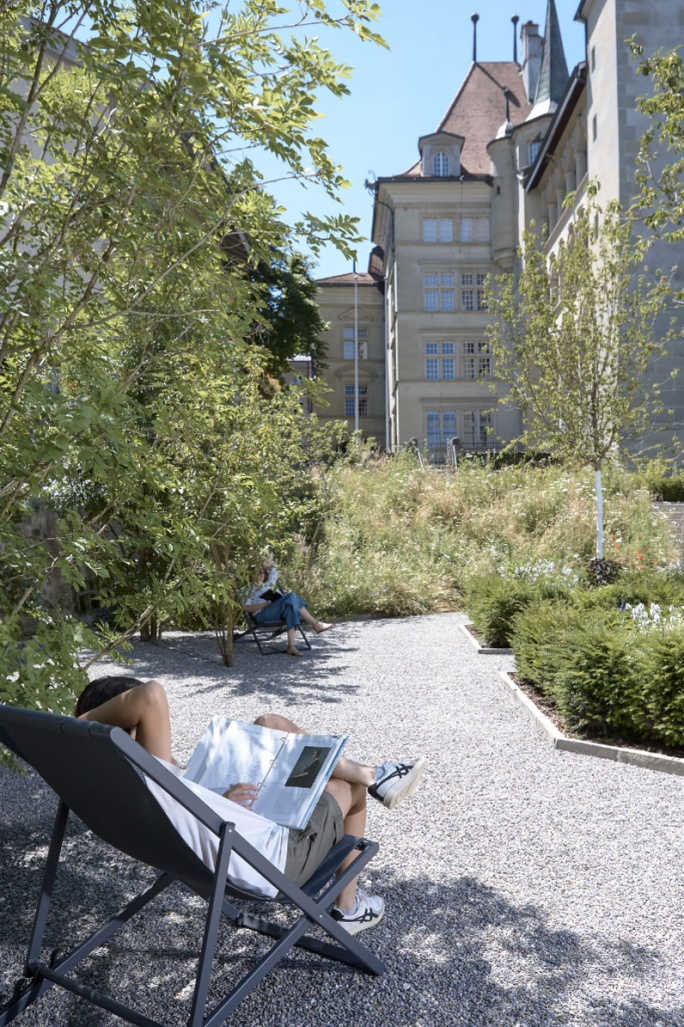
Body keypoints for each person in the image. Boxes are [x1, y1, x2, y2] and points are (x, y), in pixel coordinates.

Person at [76, 675, 426, 935]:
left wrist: (220, 801)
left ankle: (374, 775)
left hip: (234, 829)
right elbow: (151, 695)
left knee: (270, 724)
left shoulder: (119, 787)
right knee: (350, 788)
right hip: (273, 860)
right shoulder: (148, 771)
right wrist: (79, 725)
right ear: (125, 726)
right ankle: (348, 905)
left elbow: (187, 818)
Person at [243, 562, 332, 657]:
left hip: (278, 612)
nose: (260, 574)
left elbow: (274, 566)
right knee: (291, 596)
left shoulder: (269, 584)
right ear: (250, 575)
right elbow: (246, 608)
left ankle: (291, 647)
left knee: (290, 608)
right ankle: (316, 624)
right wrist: (265, 604)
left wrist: (263, 564)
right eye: (256, 573)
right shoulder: (246, 589)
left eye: (261, 572)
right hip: (261, 615)